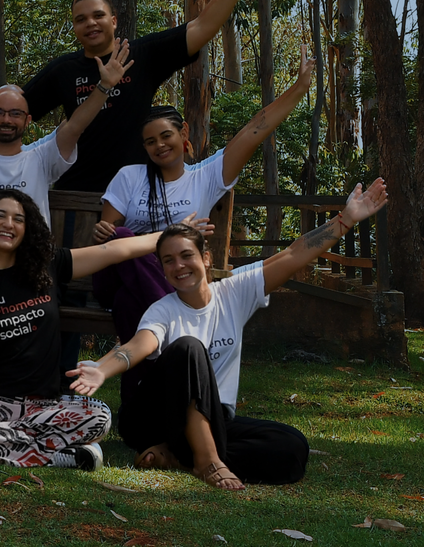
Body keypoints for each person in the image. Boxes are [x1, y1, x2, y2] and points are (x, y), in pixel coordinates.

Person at [70, 179, 385, 489]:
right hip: (152, 419)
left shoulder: (235, 291)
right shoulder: (162, 310)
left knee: (292, 446)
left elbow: (292, 254)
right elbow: (137, 346)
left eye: (186, 256)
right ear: (163, 270)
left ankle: (180, 457)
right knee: (189, 348)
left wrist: (345, 221)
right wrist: (102, 368)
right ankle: (208, 461)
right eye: (168, 261)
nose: (179, 266)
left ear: (205, 259)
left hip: (212, 416)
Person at [0, 0, 278, 192]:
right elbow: (10, 105)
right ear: (75, 28)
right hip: (76, 198)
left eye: (98, 15)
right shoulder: (64, 71)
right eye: (81, 19)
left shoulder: (143, 55)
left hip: (135, 197)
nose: (90, 23)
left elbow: (202, 27)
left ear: (113, 21)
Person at [0, 190, 166, 468]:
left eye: (18, 219)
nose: (8, 223)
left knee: (100, 416)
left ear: (28, 229)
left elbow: (114, 251)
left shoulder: (49, 266)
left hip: (40, 407)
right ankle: (52, 456)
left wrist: (168, 235)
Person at [0, 8, 130, 220]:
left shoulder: (40, 158)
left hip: (32, 252)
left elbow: (75, 126)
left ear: (28, 120)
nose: (6, 120)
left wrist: (104, 87)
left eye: (15, 113)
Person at [100, 54, 315, 236]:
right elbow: (109, 239)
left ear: (183, 132)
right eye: (150, 141)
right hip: (134, 275)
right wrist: (101, 231)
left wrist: (298, 89)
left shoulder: (204, 178)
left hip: (181, 275)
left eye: (166, 136)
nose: (160, 145)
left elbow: (252, 131)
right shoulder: (129, 178)